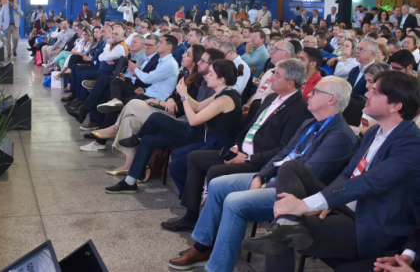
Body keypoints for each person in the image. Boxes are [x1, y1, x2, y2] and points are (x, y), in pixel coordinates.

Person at [169, 76, 357, 272]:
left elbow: (307, 174)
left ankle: (218, 268)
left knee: (234, 202)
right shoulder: (311, 123)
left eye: (316, 91)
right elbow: (284, 153)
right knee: (217, 184)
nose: (309, 93)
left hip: (294, 193)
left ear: (331, 99)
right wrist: (261, 176)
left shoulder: (339, 136)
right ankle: (202, 248)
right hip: (275, 177)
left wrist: (268, 183)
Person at [244, 70, 420, 272]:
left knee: (283, 235)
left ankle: (286, 223)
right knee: (291, 167)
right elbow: (348, 173)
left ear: (396, 106)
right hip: (346, 206)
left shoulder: (411, 145)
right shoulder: (374, 131)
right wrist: (327, 201)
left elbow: (367, 182)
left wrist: (306, 205)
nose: (367, 94)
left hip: (370, 225)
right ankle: (287, 221)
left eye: (376, 92)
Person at [162, 58, 312, 233]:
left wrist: (248, 158)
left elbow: (284, 149)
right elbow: (250, 130)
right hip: (240, 151)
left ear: (290, 83)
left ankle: (212, 227)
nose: (271, 77)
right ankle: (191, 217)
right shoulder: (271, 98)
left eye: (276, 75)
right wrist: (237, 146)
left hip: (259, 162)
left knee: (215, 172)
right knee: (194, 158)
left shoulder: (299, 110)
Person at [105, 59, 242, 194]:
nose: (207, 75)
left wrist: (183, 96)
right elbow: (199, 106)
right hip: (204, 135)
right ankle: (130, 181)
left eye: (211, 74)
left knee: (156, 118)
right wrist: (184, 93)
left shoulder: (224, 99)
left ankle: (137, 138)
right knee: (149, 139)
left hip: (208, 140)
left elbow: (193, 120)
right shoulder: (222, 93)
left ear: (221, 79)